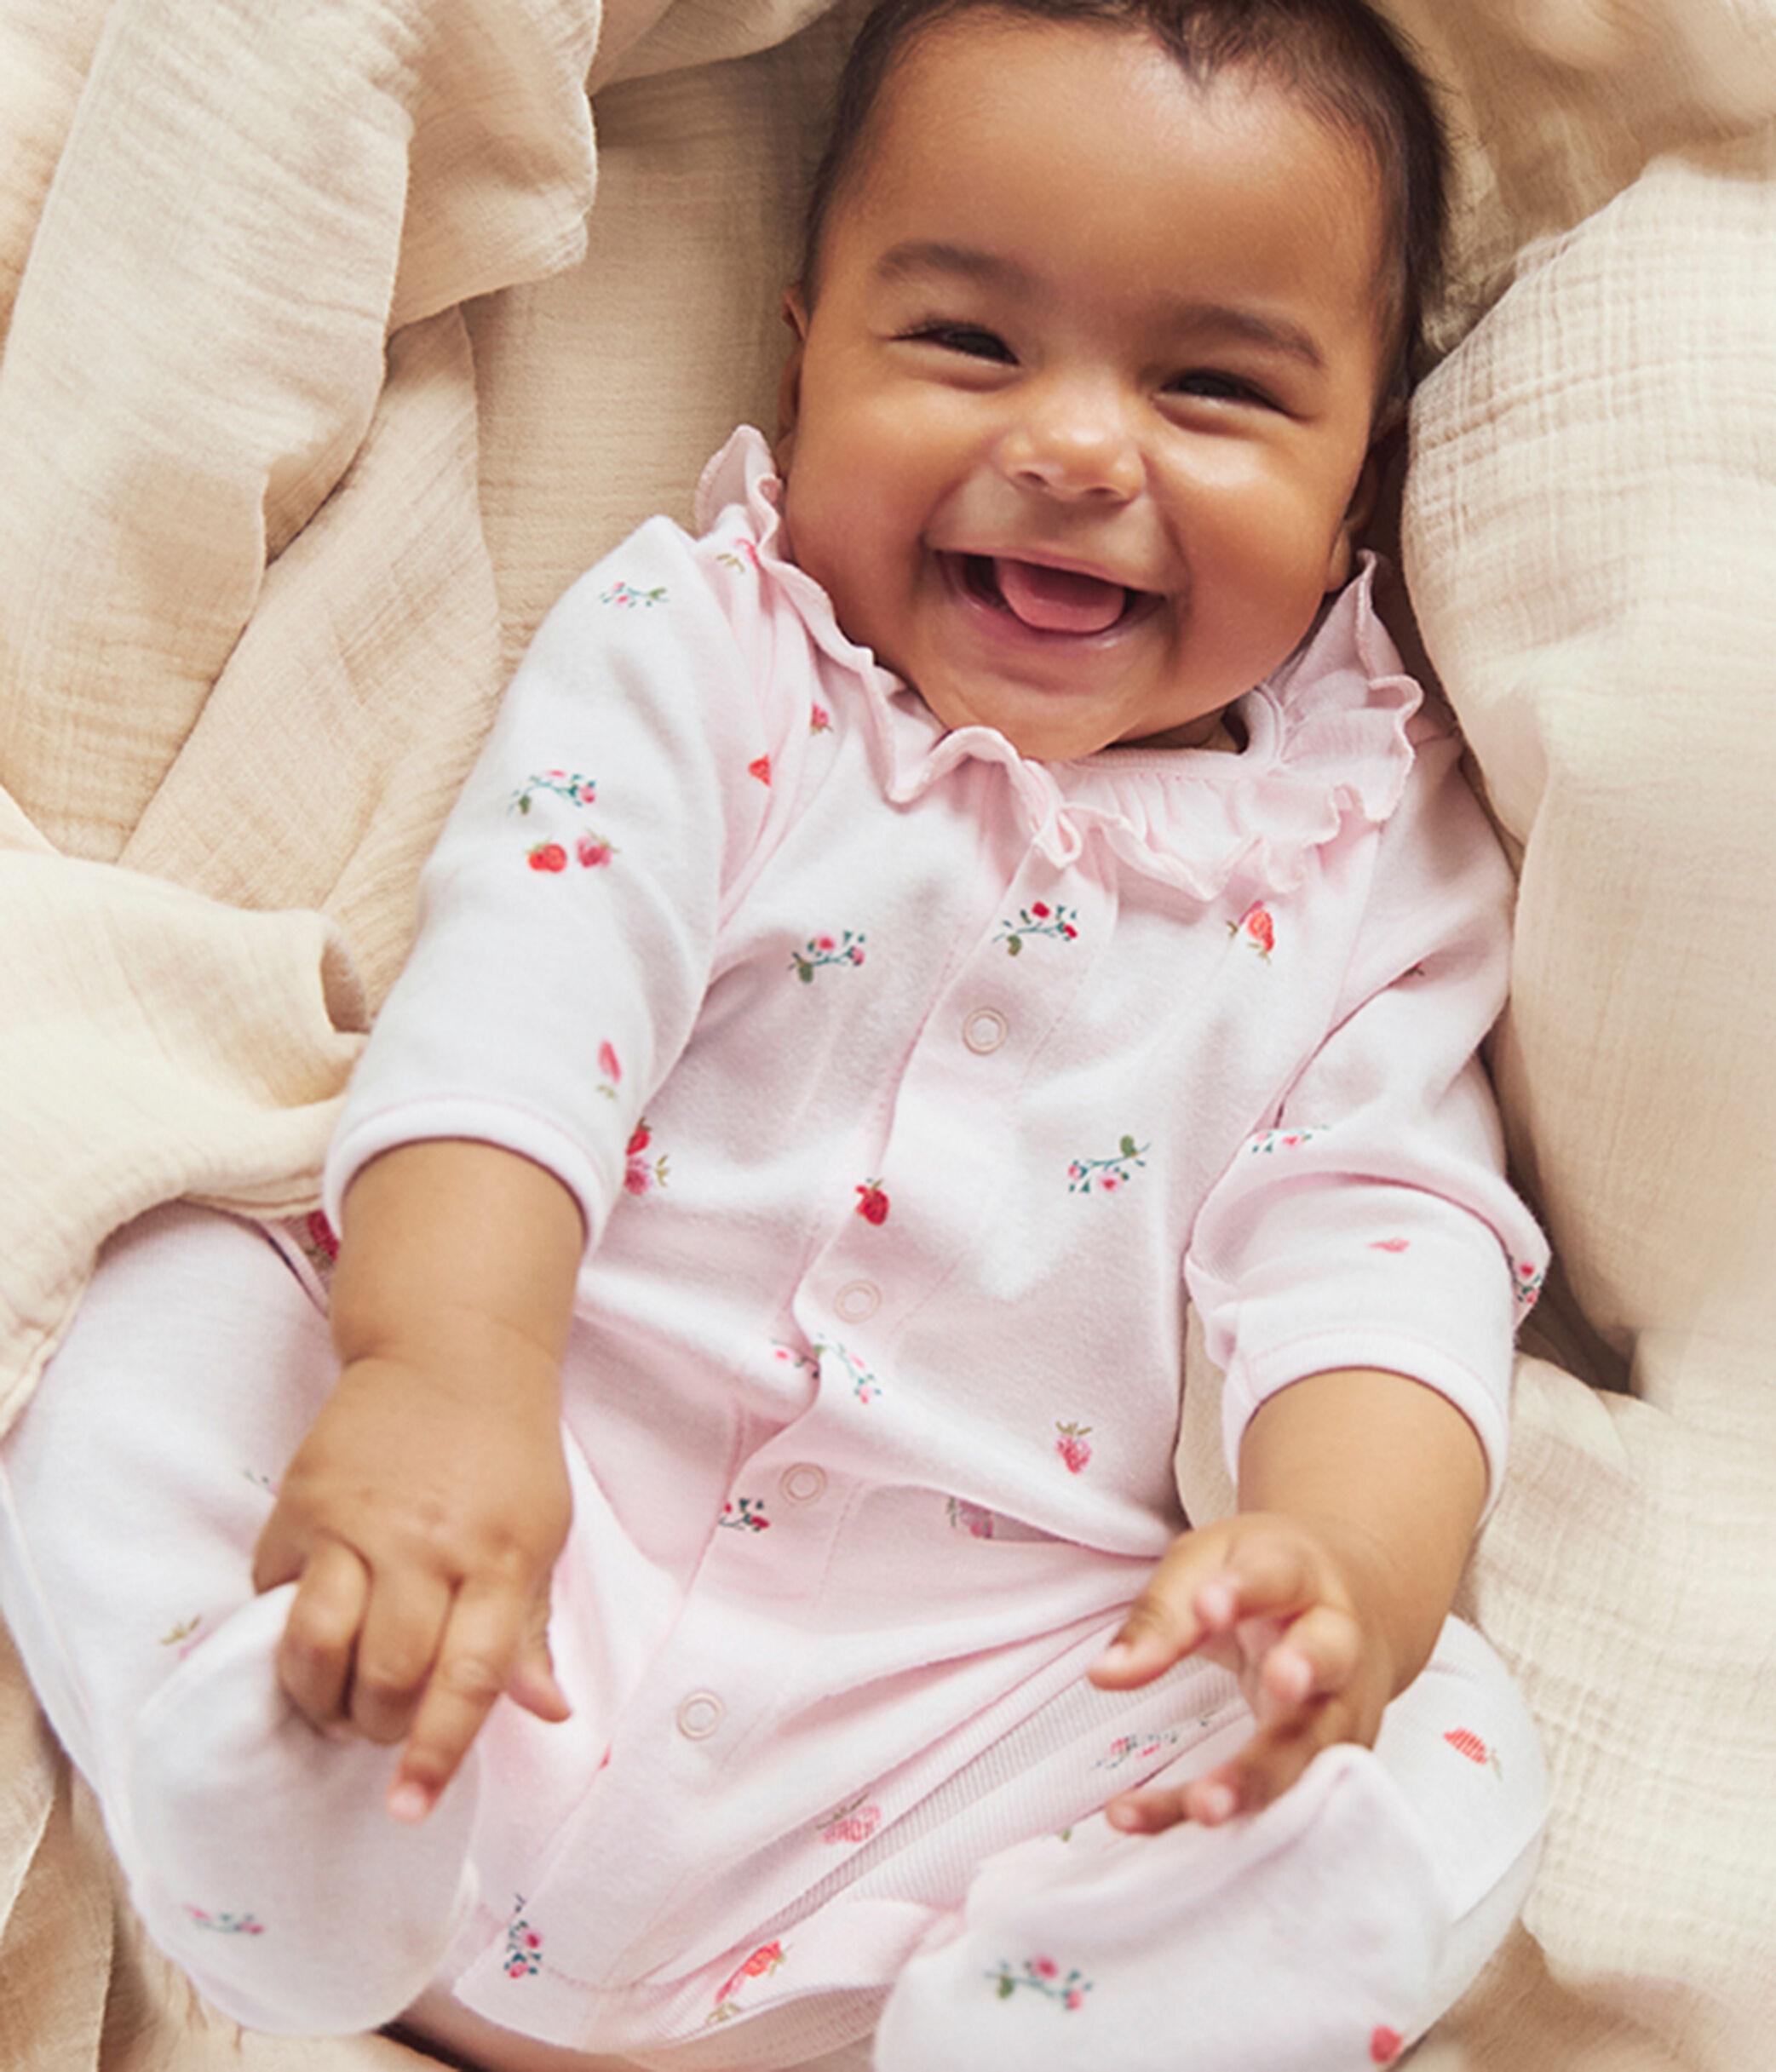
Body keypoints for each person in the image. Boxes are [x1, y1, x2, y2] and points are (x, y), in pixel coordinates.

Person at [0, 0, 1551, 2065]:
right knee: (148, 1285)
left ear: (1363, 472)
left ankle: (1075, 2008)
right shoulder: (712, 657)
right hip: (475, 1558)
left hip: (944, 1761)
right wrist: (437, 1372)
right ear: (803, 352)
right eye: (966, 343)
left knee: (1445, 1730)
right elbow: (524, 1009)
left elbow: (1378, 1235)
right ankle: (271, 1782)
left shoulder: (1367, 855)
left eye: (1208, 387)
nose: (1075, 448)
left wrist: (1342, 1561)